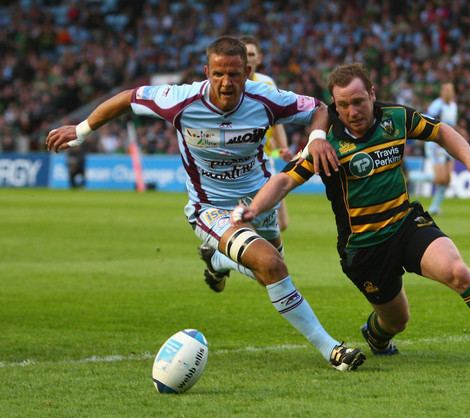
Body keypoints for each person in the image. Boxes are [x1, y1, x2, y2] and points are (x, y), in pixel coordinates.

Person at [45, 36, 364, 372]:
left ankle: (219, 260)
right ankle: (332, 350)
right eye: (218, 74)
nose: (226, 83)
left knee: (267, 273)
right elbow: (128, 98)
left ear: (247, 73)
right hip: (209, 208)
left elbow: (319, 109)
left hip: (259, 201)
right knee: (271, 265)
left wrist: (315, 138)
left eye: (235, 74)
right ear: (206, 72)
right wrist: (81, 130)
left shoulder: (265, 99)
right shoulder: (180, 100)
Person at [232, 63, 470, 370]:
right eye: (343, 105)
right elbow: (285, 180)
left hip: (406, 224)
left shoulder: (395, 118)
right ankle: (376, 334)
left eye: (358, 101)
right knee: (396, 321)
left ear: (372, 94)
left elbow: (441, 131)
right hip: (364, 249)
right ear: (334, 103)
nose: (352, 111)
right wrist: (254, 210)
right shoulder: (325, 143)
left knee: (457, 272)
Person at [240, 35, 292, 231]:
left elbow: (276, 120)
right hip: (242, 160)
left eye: (251, 54)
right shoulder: (232, 85)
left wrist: (283, 147)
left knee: (281, 223)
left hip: (266, 157)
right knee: (250, 221)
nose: (248, 58)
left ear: (258, 58)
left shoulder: (267, 83)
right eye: (244, 54)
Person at [409, 82, 458, 215]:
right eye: (446, 90)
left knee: (447, 180)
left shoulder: (453, 106)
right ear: (442, 92)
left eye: (450, 90)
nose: (448, 93)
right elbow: (429, 121)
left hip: (448, 143)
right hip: (436, 144)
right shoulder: (437, 105)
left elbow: (452, 125)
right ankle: (410, 176)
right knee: (439, 178)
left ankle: (435, 207)